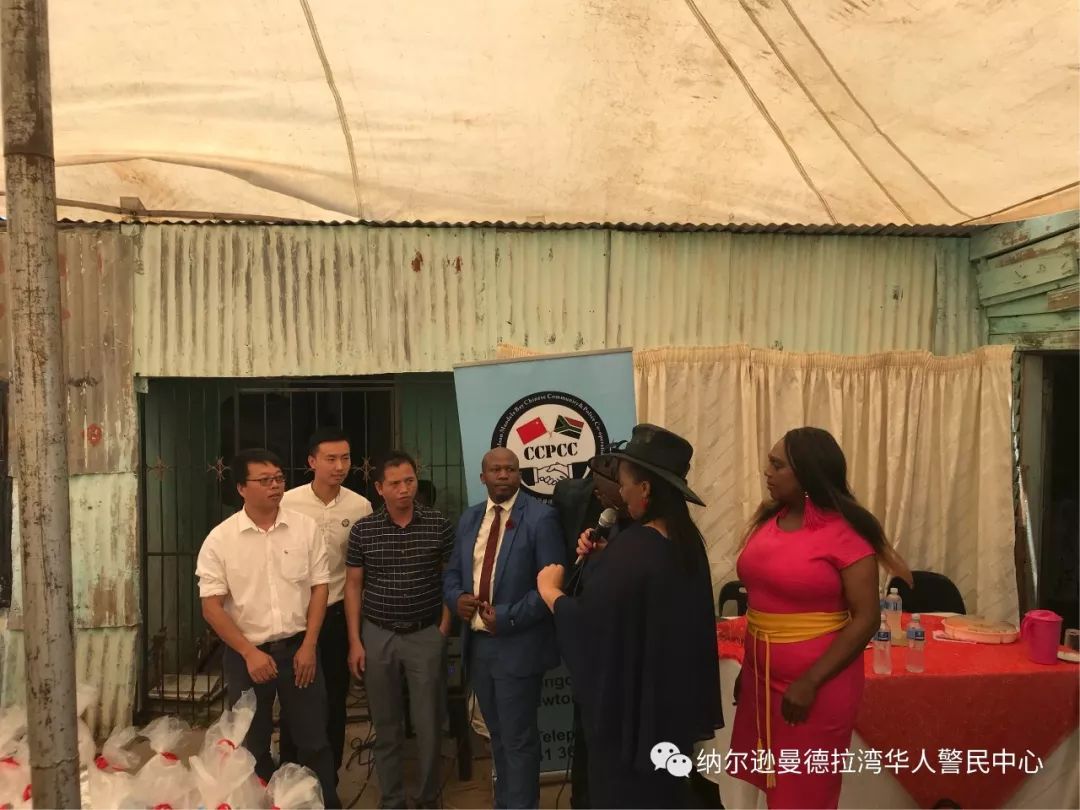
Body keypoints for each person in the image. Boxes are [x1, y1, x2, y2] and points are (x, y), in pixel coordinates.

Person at [537, 424, 723, 809]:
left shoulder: (634, 549)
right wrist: (605, 559)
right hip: (669, 713)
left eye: (624, 484)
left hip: (630, 728)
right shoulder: (686, 543)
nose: (620, 493)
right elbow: (638, 605)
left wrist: (552, 592)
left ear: (646, 489)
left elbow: (591, 626)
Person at [727, 426, 911, 809]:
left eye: (778, 465)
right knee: (776, 789)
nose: (767, 472)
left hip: (816, 686)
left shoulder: (845, 534)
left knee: (804, 796)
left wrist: (810, 680)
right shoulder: (769, 520)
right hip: (762, 678)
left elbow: (866, 618)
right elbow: (762, 604)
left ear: (807, 473)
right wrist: (750, 668)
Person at [195, 449, 340, 807]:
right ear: (241, 488)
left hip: (299, 652)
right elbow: (211, 607)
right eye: (264, 480)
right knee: (250, 744)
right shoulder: (221, 539)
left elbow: (320, 587)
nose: (275, 486)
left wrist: (309, 645)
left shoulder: (304, 529)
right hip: (246, 657)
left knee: (313, 740)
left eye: (278, 478)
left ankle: (320, 803)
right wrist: (249, 653)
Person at [444, 447, 565, 809]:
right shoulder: (469, 518)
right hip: (478, 646)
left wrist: (508, 616)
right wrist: (457, 599)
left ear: (519, 475)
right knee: (495, 736)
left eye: (510, 469)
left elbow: (551, 585)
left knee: (518, 740)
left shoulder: (541, 518)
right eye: (495, 470)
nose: (502, 475)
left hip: (518, 645)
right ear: (482, 477)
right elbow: (451, 573)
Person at [344, 450, 454, 810]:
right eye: (395, 483)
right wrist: (355, 641)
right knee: (386, 725)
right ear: (380, 488)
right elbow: (353, 586)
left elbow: (451, 580)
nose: (404, 489)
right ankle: (392, 799)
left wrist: (443, 628)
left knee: (429, 724)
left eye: (409, 480)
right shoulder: (364, 530)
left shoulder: (438, 525)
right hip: (379, 635)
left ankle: (428, 797)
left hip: (425, 634)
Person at [279, 427, 373, 781]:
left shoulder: (360, 506)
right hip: (296, 617)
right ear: (311, 461)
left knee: (334, 700)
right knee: (294, 700)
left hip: (336, 614)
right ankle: (289, 780)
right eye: (330, 459)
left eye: (345, 458)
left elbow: (358, 571)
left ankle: (327, 781)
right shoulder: (287, 503)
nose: (339, 466)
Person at [550, 453, 630, 809]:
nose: (597, 495)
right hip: (597, 669)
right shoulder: (608, 526)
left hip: (623, 670)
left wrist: (551, 594)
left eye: (603, 488)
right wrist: (598, 555)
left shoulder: (649, 538)